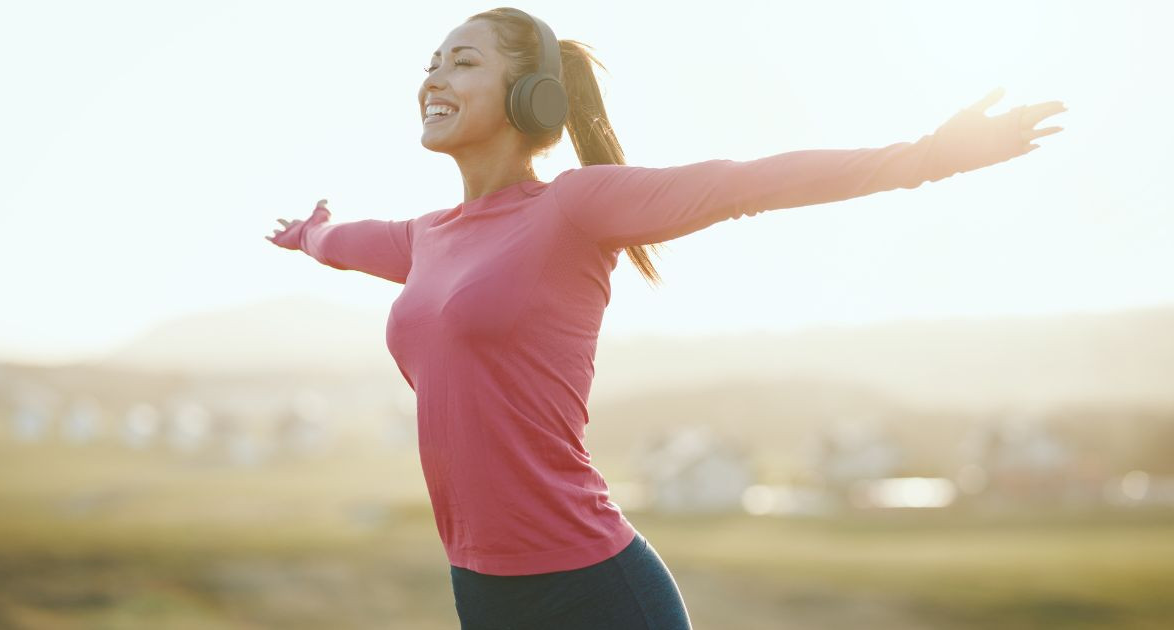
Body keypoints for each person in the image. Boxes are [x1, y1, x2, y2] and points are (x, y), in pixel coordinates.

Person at [266, 7, 1066, 629]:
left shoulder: (574, 206)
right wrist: (309, 232)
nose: (434, 78)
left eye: (463, 61)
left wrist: (928, 157)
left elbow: (744, 183)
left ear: (529, 95)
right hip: (481, 588)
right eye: (432, 63)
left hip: (592, 590)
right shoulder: (424, 239)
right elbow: (339, 243)